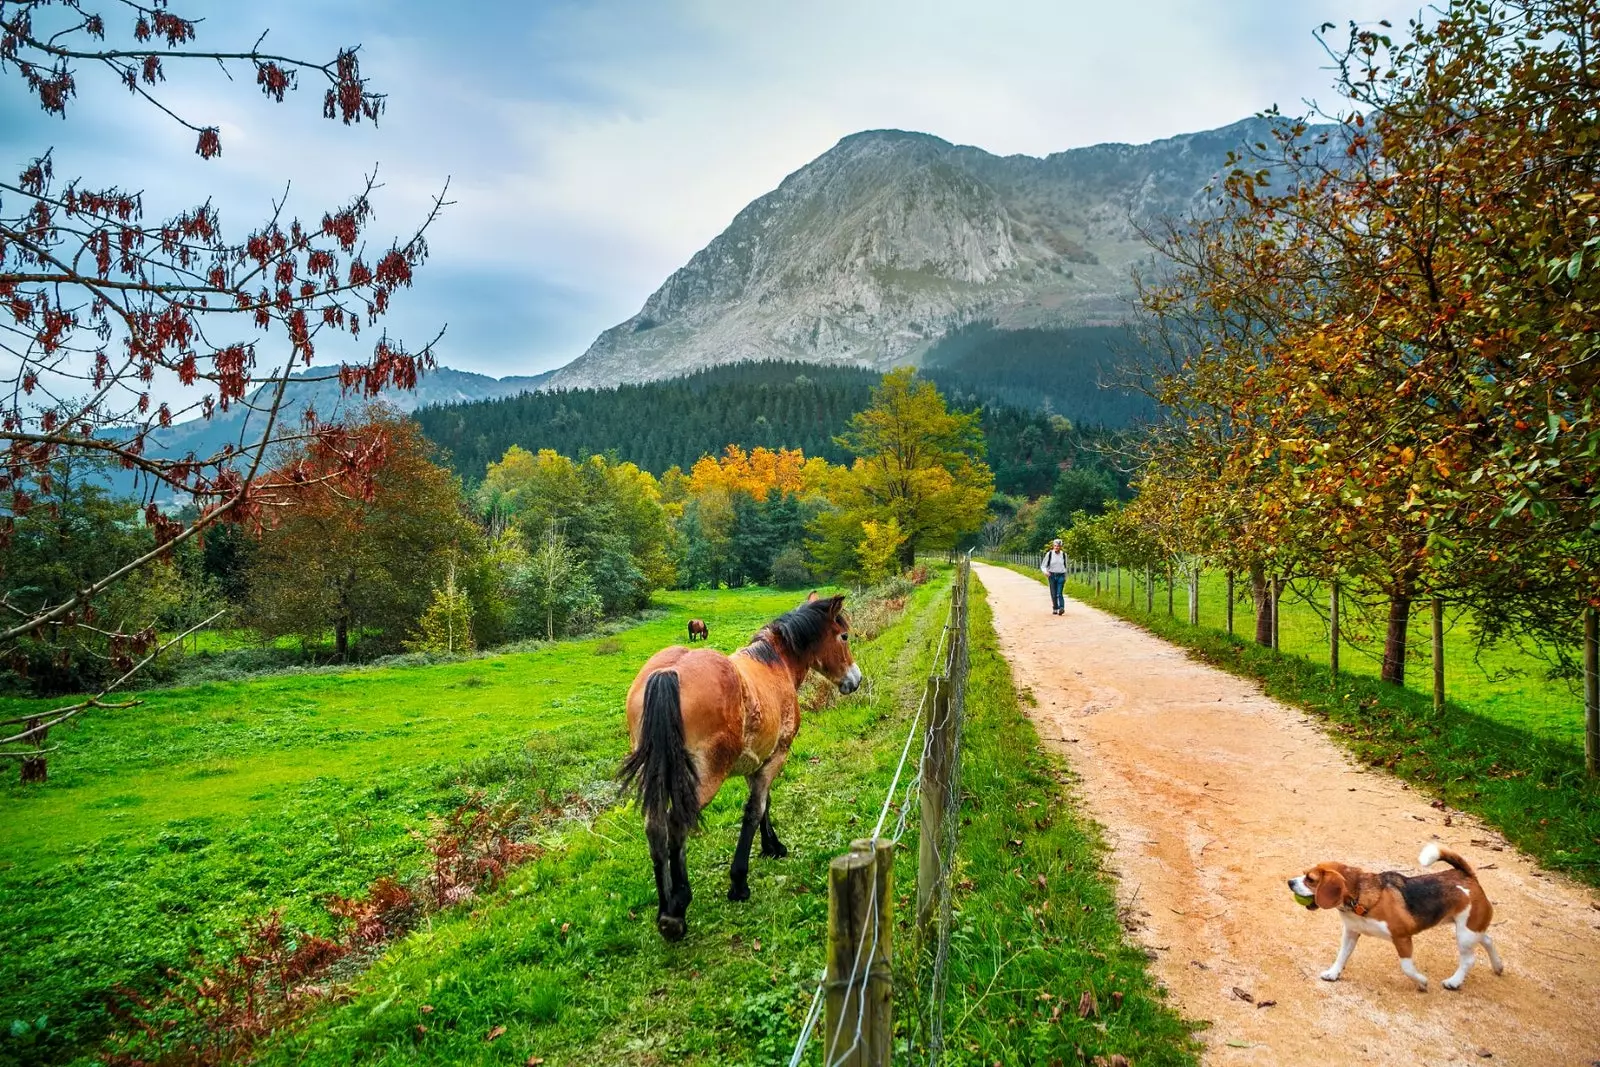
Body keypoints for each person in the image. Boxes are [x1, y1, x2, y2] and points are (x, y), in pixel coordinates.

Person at [1040, 538, 1068, 615]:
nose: (1056, 547)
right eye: (1055, 546)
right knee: (1053, 593)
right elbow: (1043, 566)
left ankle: (1061, 608)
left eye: (1058, 546)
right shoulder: (1049, 554)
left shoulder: (1063, 555)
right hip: (1051, 575)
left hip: (1061, 575)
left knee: (1059, 593)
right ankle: (1055, 607)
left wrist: (1065, 576)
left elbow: (1065, 566)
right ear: (1053, 546)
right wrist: (1045, 572)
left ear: (1061, 547)